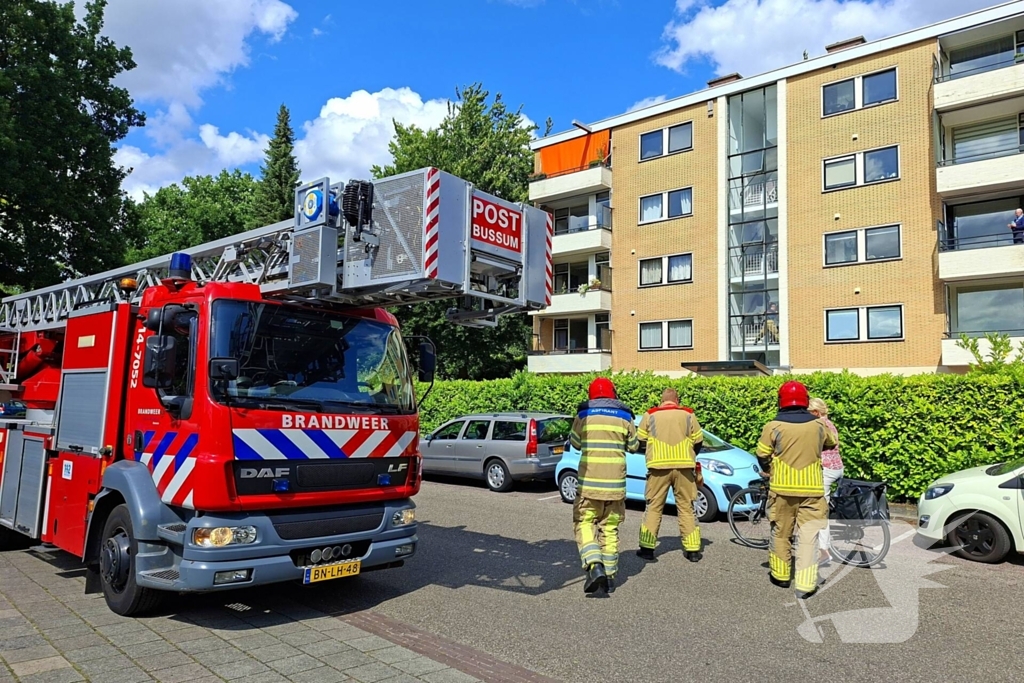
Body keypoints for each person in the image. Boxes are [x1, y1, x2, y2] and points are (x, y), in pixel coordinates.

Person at [755, 381, 837, 599]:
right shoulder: (819, 425)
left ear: (781, 401)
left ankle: (781, 576)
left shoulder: (773, 426)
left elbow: (762, 453)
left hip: (782, 490)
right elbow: (831, 443)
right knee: (808, 537)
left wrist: (770, 470)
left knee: (781, 533)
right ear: (805, 400)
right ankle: (806, 584)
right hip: (812, 490)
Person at [569, 377, 639, 595]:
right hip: (616, 487)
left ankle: (594, 564)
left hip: (589, 486)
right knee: (610, 528)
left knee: (584, 522)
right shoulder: (625, 416)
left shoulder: (583, 415)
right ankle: (609, 579)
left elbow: (575, 443)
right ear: (613, 394)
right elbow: (634, 446)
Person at [636, 388, 705, 563]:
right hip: (684, 468)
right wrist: (690, 456)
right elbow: (698, 440)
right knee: (686, 508)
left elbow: (640, 440)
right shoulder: (688, 414)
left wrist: (653, 453)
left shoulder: (650, 415)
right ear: (677, 400)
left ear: (661, 400)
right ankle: (693, 551)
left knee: (653, 507)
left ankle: (647, 549)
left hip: (658, 468)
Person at [808, 397, 843, 566]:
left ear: (815, 412)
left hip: (826, 470)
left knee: (820, 510)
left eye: (808, 412)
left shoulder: (819, 425)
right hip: (836, 467)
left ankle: (824, 552)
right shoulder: (829, 423)